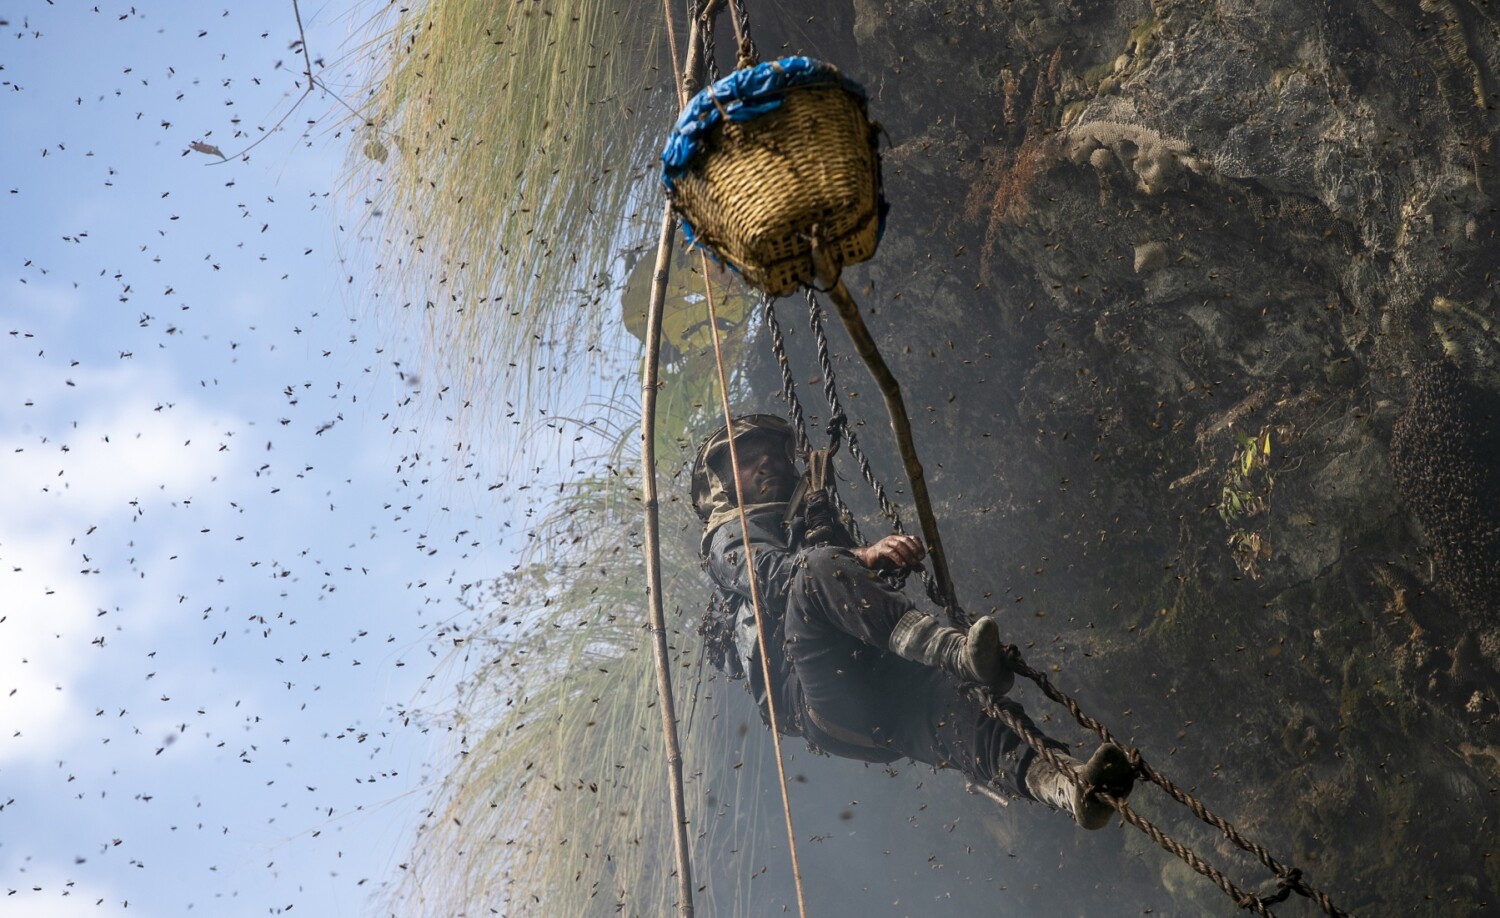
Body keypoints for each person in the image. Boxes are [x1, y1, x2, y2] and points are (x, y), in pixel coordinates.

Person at [692, 414, 1135, 828]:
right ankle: (955, 654)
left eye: (771, 452)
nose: (765, 461)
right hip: (812, 692)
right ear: (722, 485)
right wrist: (861, 556)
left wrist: (869, 564)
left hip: (875, 699)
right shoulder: (728, 536)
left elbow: (845, 588)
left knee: (967, 717)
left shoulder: (808, 519)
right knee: (815, 571)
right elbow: (773, 577)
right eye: (746, 459)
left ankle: (1072, 786)